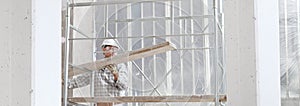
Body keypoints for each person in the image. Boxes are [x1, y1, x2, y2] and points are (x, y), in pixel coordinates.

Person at [68, 39, 128, 106]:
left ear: (115, 49)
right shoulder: (97, 67)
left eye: (110, 47)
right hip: (100, 104)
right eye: (105, 46)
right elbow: (82, 80)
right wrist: (64, 82)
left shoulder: (120, 66)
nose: (107, 48)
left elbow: (123, 86)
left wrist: (116, 75)